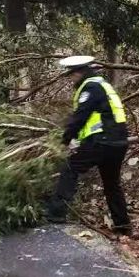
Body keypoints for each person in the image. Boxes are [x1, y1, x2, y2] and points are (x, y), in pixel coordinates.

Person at [46, 56, 131, 234]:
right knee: (111, 183)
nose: (70, 79)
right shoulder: (102, 85)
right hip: (118, 142)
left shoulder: (91, 87)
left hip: (102, 141)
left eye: (71, 74)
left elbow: (80, 116)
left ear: (79, 72)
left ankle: (55, 214)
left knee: (70, 168)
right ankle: (123, 226)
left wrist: (65, 140)